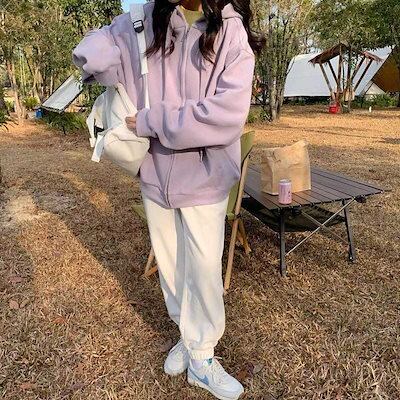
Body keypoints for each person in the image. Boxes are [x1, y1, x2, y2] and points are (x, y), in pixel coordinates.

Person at [72, 1, 265, 399]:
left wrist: (153, 120)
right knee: (171, 265)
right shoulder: (145, 22)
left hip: (206, 175)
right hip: (155, 173)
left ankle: (203, 356)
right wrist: (115, 35)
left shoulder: (230, 31)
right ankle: (188, 339)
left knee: (204, 271)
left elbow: (226, 115)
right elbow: (93, 57)